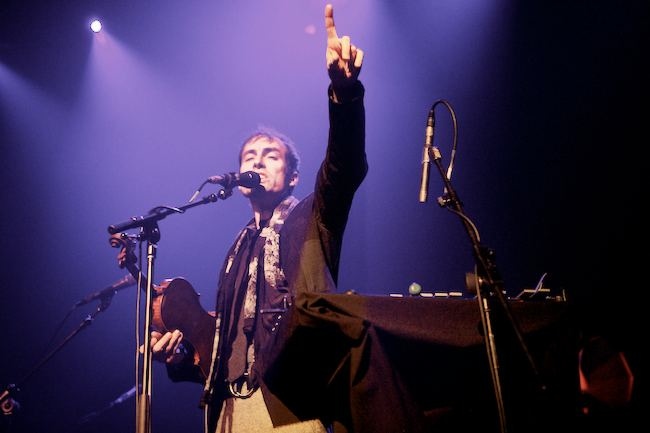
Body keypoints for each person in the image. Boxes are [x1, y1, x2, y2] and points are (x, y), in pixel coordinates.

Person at [119, 4, 367, 432]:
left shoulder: (311, 217)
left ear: (292, 176)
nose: (257, 161)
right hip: (230, 411)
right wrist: (178, 358)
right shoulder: (236, 249)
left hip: (291, 403)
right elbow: (221, 343)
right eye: (249, 156)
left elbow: (344, 167)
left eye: (270, 156)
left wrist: (344, 94)